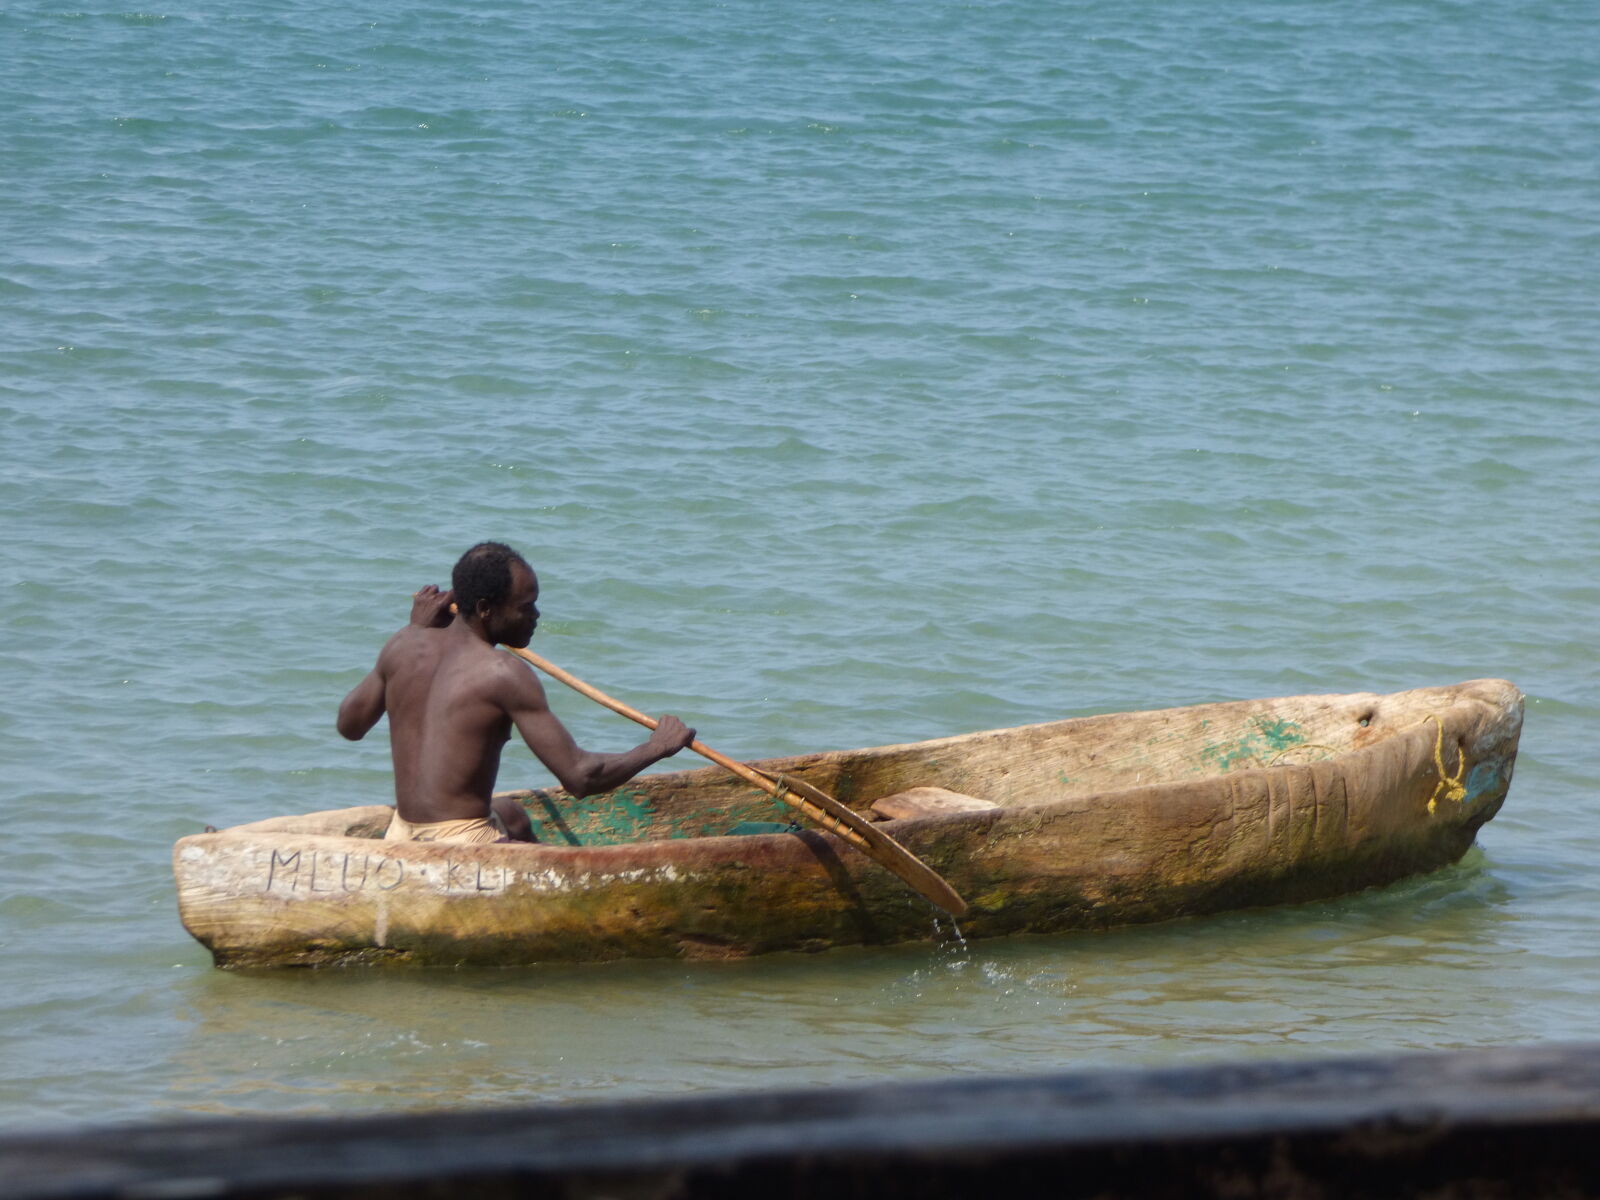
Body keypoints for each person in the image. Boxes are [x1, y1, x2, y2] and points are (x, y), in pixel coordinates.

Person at [337, 542, 697, 845]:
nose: (536, 615)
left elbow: (349, 726)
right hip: (461, 845)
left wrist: (412, 629)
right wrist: (657, 747)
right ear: (484, 609)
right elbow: (580, 777)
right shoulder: (504, 673)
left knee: (511, 812)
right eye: (525, 607)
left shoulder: (404, 643)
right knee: (514, 833)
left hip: (399, 836)